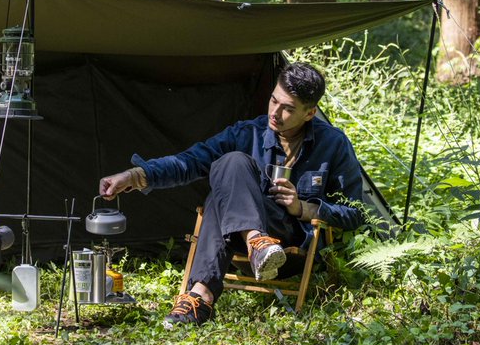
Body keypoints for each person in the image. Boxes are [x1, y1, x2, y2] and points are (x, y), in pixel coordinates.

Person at [99, 61, 365, 328]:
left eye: (288, 108)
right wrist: (134, 176)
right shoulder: (248, 133)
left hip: (287, 244)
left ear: (310, 113)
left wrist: (302, 208)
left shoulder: (333, 144)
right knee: (232, 162)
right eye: (273, 101)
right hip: (241, 241)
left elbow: (356, 213)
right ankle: (251, 245)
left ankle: (200, 297)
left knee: (218, 196)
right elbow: (190, 161)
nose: (275, 112)